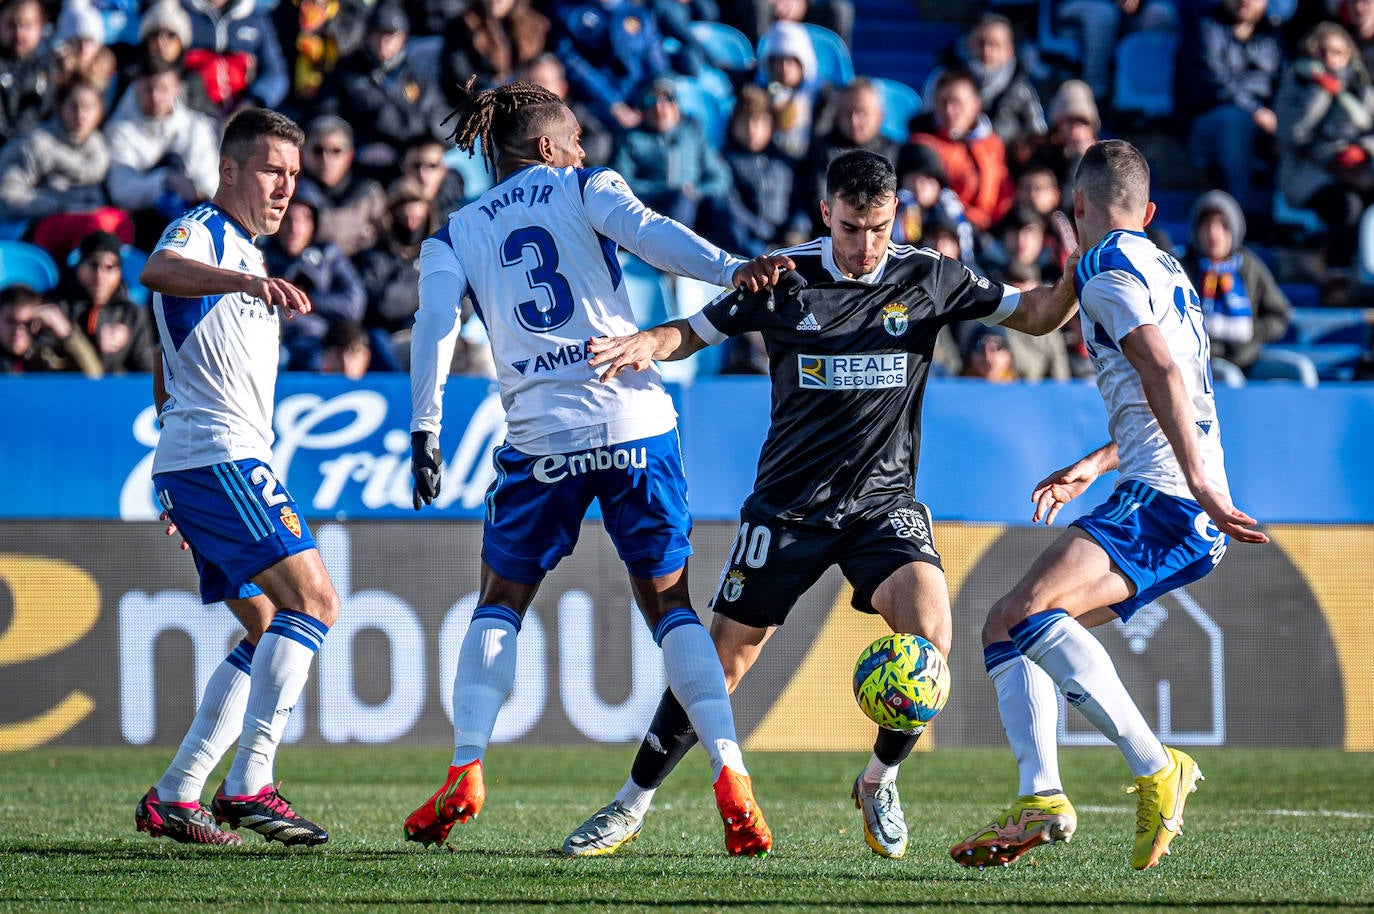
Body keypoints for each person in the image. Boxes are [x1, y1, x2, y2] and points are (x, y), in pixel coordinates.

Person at [571, 149, 1080, 860]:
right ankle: (630, 805)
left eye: (876, 228)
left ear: (894, 214)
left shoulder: (930, 277)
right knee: (718, 667)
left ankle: (879, 779)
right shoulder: (782, 277)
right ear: (826, 214)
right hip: (787, 509)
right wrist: (644, 343)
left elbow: (1035, 315)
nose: (864, 245)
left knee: (931, 637)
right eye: (849, 228)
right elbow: (694, 331)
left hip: (882, 506)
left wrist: (1086, 266)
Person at [404, 78, 791, 856]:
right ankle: (730, 770)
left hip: (541, 436)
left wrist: (426, 424)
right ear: (547, 148)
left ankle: (467, 766)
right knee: (672, 607)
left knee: (501, 598)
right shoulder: (584, 185)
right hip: (633, 419)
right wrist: (733, 268)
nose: (584, 148)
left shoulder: (454, 233)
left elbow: (434, 325)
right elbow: (650, 233)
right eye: (575, 136)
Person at [949, 139, 1269, 873]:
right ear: (1150, 212)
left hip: (1169, 499)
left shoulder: (1103, 264)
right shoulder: (1164, 265)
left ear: (1077, 208)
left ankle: (1159, 769)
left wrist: (1204, 487)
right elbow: (1148, 380)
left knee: (1025, 616)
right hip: (1161, 491)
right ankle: (1041, 796)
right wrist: (1092, 465)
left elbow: (1159, 368)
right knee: (1011, 627)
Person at [133, 107, 337, 848]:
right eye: (271, 170)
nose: (285, 187)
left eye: (292, 174)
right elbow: (156, 270)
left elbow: (164, 354)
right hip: (220, 456)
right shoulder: (206, 233)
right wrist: (244, 285)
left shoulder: (247, 254)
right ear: (229, 170)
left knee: (264, 623)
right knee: (315, 600)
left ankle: (176, 794)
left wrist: (173, 467)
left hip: (204, 460)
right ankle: (251, 782)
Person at [1180, 189, 1291, 374]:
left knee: (1300, 371)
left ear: (1235, 229)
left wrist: (1250, 332)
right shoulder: (1182, 268)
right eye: (1206, 226)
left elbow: (1279, 315)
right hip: (1201, 362)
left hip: (1249, 357)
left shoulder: (1249, 265)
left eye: (1222, 225)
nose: (1214, 234)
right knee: (1229, 376)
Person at [55, 230, 158, 374]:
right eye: (93, 265)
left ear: (119, 273)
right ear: (79, 268)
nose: (100, 275)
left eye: (109, 267)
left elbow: (147, 372)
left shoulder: (132, 313)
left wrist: (126, 344)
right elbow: (45, 368)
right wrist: (91, 343)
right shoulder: (58, 308)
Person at [0, 282, 103, 376]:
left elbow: (94, 377)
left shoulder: (42, 358)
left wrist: (67, 334)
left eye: (27, 323)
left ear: (37, 324)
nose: (18, 330)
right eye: (11, 321)